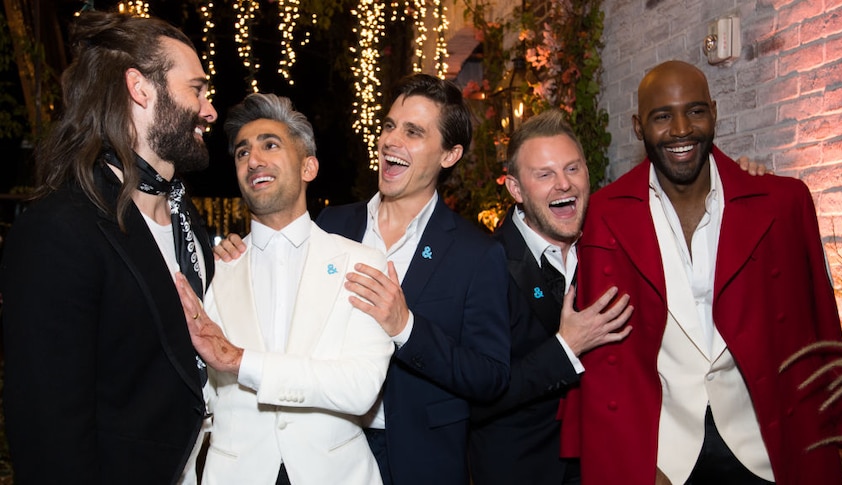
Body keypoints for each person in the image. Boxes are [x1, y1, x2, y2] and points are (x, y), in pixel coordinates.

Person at [558, 60, 842, 484]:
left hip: (765, 445)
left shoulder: (782, 202)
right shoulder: (604, 212)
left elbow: (820, 320)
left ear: (714, 112)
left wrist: (835, 421)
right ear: (639, 127)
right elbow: (605, 358)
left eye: (695, 111)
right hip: (664, 452)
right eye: (662, 116)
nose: (681, 129)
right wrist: (626, 458)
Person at [214, 73, 511, 485]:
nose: (391, 140)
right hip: (322, 452)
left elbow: (491, 377)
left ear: (450, 154)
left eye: (413, 132)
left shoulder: (477, 253)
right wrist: (239, 252)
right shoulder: (334, 223)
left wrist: (405, 327)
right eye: (389, 126)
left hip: (421, 458)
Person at [0, 11, 217, 484]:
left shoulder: (189, 224)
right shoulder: (60, 230)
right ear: (140, 89)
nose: (209, 110)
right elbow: (48, 433)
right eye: (196, 89)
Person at [173, 93, 394, 485]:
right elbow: (197, 397)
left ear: (309, 166)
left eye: (270, 145)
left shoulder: (363, 262)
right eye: (242, 153)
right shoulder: (213, 270)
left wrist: (241, 361)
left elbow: (360, 388)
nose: (253, 160)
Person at [468, 109, 634, 485]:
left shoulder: (609, 243)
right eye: (544, 174)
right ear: (516, 189)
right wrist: (564, 349)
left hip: (606, 466)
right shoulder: (481, 266)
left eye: (572, 169)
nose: (564, 184)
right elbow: (475, 399)